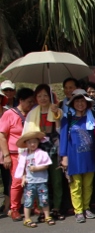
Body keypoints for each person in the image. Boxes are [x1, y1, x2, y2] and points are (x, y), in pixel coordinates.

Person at [22, 84, 65, 221]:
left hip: (54, 148)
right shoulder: (32, 114)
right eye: (39, 96)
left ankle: (57, 208)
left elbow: (60, 130)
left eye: (45, 95)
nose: (42, 98)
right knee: (40, 181)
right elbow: (27, 133)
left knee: (56, 179)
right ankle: (42, 209)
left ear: (50, 97)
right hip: (38, 149)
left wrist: (56, 114)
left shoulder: (56, 110)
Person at [60, 89, 95, 223]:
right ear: (72, 103)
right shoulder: (67, 119)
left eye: (83, 100)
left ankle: (87, 207)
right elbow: (63, 139)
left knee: (88, 184)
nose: (80, 103)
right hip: (74, 156)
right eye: (77, 101)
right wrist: (64, 157)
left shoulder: (92, 117)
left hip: (89, 155)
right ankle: (78, 210)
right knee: (75, 185)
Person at [0, 87, 35, 221]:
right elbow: (2, 136)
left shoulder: (31, 114)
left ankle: (34, 205)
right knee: (17, 180)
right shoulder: (9, 114)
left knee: (33, 178)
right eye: (29, 102)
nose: (31, 105)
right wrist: (6, 155)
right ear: (21, 100)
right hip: (15, 153)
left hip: (31, 152)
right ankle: (14, 208)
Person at [14, 131, 54, 227]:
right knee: (28, 201)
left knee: (44, 199)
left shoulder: (42, 153)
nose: (32, 144)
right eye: (29, 142)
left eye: (34, 142)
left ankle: (47, 216)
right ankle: (27, 218)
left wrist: (36, 168)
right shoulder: (24, 155)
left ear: (38, 142)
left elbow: (46, 166)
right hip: (30, 181)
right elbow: (22, 168)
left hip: (41, 181)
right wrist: (23, 178)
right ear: (26, 144)